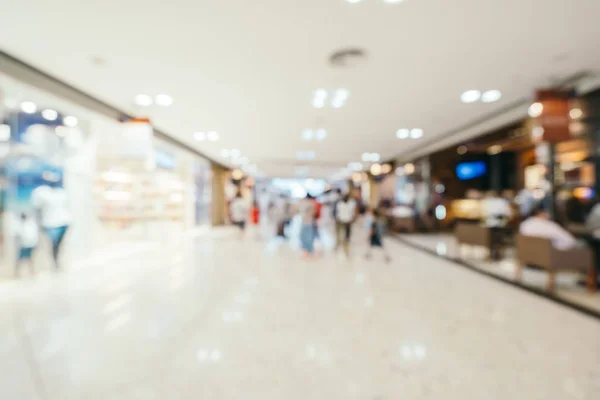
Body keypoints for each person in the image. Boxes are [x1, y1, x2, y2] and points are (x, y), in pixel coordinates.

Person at [31, 183, 71, 269]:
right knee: (54, 243)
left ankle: (56, 260)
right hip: (50, 224)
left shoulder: (61, 193)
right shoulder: (41, 192)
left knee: (58, 244)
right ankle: (55, 261)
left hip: (63, 222)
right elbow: (37, 208)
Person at [482, 191, 512, 260]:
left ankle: (492, 255)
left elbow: (484, 213)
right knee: (498, 240)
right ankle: (496, 254)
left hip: (492, 224)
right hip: (499, 224)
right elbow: (508, 214)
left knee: (491, 240)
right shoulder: (502, 202)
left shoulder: (488, 202)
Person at [15, 212, 39, 277]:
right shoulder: (30, 224)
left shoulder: (25, 224)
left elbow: (18, 235)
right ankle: (31, 272)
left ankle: (17, 273)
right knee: (28, 259)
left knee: (21, 259)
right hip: (29, 244)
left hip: (26, 244)